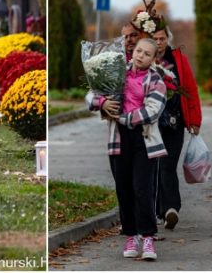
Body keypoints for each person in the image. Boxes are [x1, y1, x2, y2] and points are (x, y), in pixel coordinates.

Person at [86, 38, 167, 261]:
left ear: (154, 59)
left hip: (144, 140)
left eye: (147, 53)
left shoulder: (155, 80)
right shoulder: (116, 72)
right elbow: (90, 97)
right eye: (138, 51)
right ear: (132, 52)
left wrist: (123, 117)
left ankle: (148, 237)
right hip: (118, 140)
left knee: (143, 189)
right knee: (124, 190)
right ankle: (131, 235)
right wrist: (102, 103)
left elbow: (153, 110)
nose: (140, 55)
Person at [151, 25, 202, 230]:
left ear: (168, 40)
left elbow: (190, 88)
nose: (159, 42)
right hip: (152, 123)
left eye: (162, 38)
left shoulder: (179, 60)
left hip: (175, 122)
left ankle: (171, 209)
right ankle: (159, 210)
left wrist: (195, 120)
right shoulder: (144, 58)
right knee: (155, 167)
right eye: (155, 39)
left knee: (167, 164)